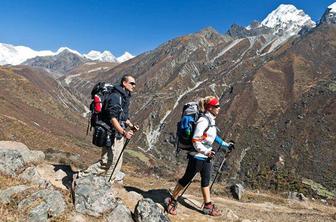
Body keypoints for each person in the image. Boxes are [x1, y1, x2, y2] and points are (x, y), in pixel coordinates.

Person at [165, 96, 234, 216]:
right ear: (210, 107)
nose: (219, 108)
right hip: (197, 156)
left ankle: (208, 206)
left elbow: (211, 136)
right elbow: (195, 140)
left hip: (206, 157)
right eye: (217, 106)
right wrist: (205, 152)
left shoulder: (210, 121)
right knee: (186, 179)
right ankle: (171, 200)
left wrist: (225, 145)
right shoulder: (203, 121)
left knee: (206, 181)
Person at [82, 75, 139, 181]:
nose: (134, 86)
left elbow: (122, 117)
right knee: (109, 162)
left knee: (113, 162)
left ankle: (104, 184)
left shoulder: (123, 96)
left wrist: (131, 126)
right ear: (124, 83)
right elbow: (112, 118)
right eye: (131, 83)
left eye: (134, 83)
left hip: (116, 133)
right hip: (112, 134)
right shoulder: (116, 97)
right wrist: (124, 133)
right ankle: (82, 177)